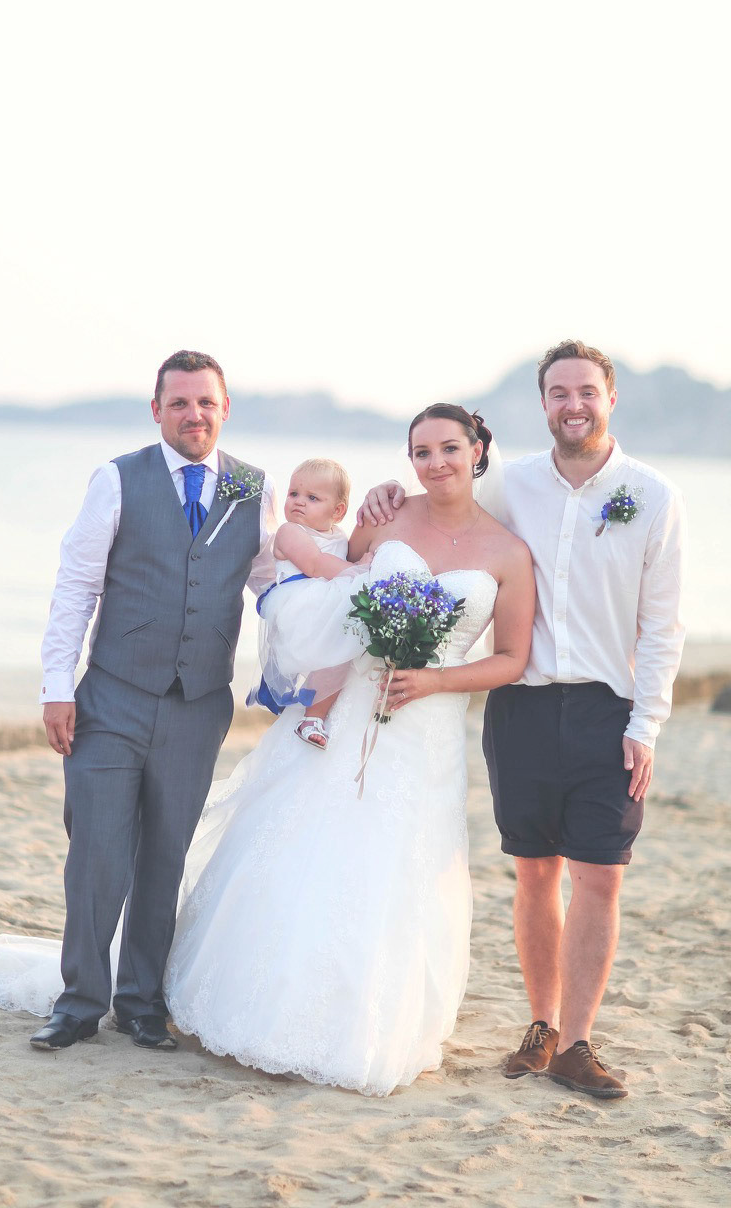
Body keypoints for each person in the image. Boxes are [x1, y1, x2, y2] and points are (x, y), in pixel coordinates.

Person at [162, 404, 534, 1095]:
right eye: (420, 452)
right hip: (349, 706)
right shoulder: (387, 516)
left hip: (427, 723)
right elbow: (334, 580)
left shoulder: (509, 553)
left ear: (478, 451)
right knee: (307, 838)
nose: (435, 463)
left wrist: (434, 679)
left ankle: (369, 1021)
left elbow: (511, 658)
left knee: (398, 860)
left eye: (449, 448)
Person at [359, 342, 686, 1100]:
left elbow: (663, 626)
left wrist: (646, 726)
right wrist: (382, 495)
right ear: (543, 404)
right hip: (523, 706)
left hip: (609, 709)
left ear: (609, 398)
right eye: (558, 393)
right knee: (535, 873)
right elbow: (445, 505)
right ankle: (541, 1027)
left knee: (600, 876)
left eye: (586, 391)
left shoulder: (653, 496)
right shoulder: (512, 485)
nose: (573, 404)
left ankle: (577, 1043)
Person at [29, 349, 277, 1051]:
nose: (193, 414)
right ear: (157, 410)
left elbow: (274, 587)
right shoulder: (117, 479)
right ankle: (79, 1003)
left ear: (224, 409)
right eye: (179, 403)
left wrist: (299, 673)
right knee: (97, 854)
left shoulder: (254, 488)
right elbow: (77, 584)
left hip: (199, 704)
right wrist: (56, 687)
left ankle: (141, 1004)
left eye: (205, 403)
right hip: (112, 697)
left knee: (166, 857)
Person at [250, 456, 370, 749]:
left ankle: (314, 716)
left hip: (322, 604)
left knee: (341, 653)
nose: (299, 502)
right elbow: (315, 564)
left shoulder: (339, 536)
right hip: (299, 604)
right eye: (293, 494)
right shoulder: (289, 532)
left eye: (312, 498)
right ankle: (312, 716)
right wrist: (363, 571)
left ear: (338, 511)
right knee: (339, 643)